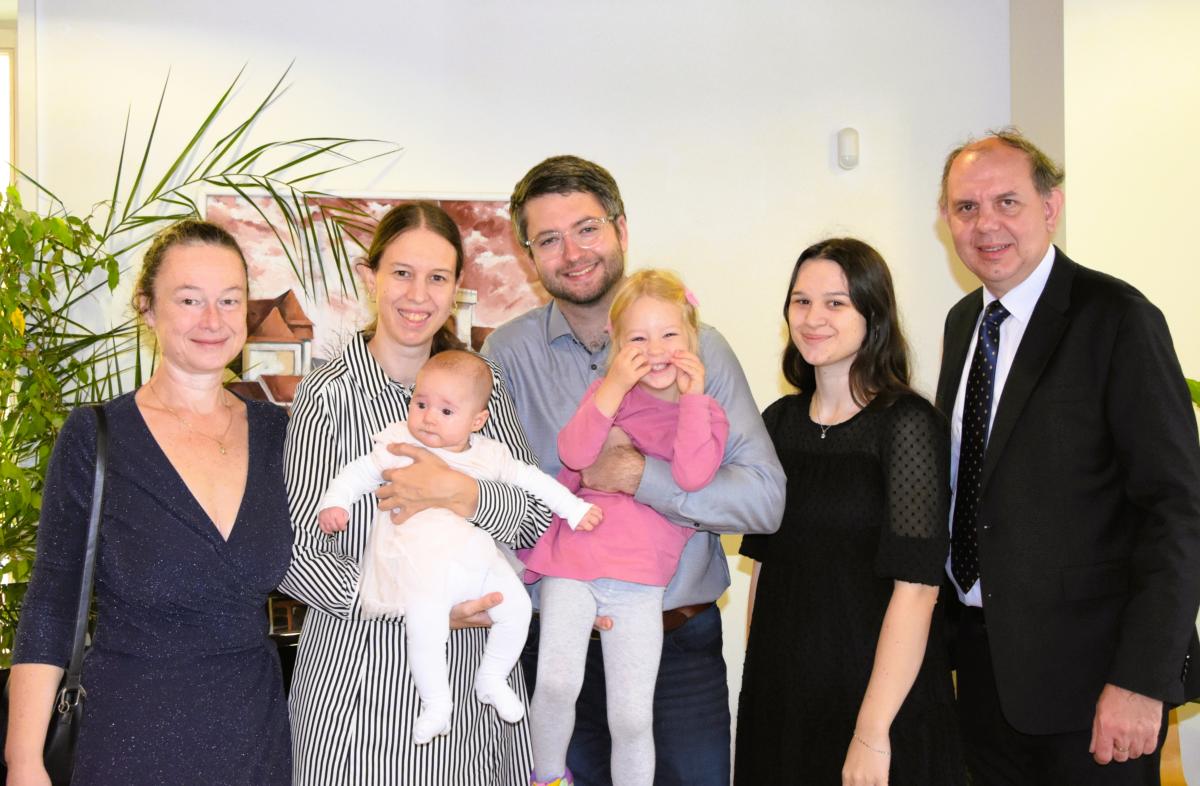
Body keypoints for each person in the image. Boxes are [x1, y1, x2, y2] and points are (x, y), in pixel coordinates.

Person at [481, 155, 786, 786]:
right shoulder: (507, 355)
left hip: (675, 647)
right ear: (528, 257)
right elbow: (493, 500)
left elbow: (763, 501)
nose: (572, 253)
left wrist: (639, 476)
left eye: (587, 228)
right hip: (552, 639)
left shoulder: (700, 350)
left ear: (621, 228)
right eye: (548, 239)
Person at [935, 129, 1200, 785]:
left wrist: (1141, 680)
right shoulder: (964, 323)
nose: (985, 224)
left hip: (1094, 685)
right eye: (966, 207)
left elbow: (1175, 510)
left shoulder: (1118, 319)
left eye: (1007, 202)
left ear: (1050, 207)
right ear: (946, 221)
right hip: (983, 670)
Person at [4, 219, 292, 785]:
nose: (213, 320)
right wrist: (24, 761)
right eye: (189, 299)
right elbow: (50, 607)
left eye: (229, 299)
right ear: (147, 308)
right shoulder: (97, 436)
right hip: (128, 739)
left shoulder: (277, 434)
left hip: (254, 741)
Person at [280, 201, 552, 785]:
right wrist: (416, 601)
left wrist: (462, 493)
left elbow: (534, 519)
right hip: (359, 692)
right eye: (402, 273)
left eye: (437, 278)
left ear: (456, 290)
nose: (418, 295)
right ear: (372, 277)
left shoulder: (484, 386)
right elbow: (296, 553)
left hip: (472, 690)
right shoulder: (328, 394)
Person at [735, 238, 966, 786]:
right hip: (785, 699)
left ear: (873, 315)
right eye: (801, 301)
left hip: (878, 702)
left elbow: (918, 590)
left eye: (835, 303)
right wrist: (760, 689)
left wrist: (872, 731)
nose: (813, 318)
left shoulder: (908, 425)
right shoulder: (777, 422)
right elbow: (764, 569)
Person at [316, 349, 600, 745]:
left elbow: (535, 482)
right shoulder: (399, 444)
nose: (429, 417)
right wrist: (336, 502)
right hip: (421, 566)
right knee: (425, 627)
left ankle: (493, 677)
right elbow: (356, 473)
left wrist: (573, 508)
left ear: (477, 420)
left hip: (478, 562)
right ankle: (436, 704)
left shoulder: (490, 454)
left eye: (446, 411)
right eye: (421, 404)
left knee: (517, 610)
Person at [526, 270, 731, 786]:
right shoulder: (606, 394)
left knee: (632, 717)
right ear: (617, 345)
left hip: (641, 581)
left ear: (693, 338)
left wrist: (692, 398)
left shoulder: (705, 413)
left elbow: (692, 476)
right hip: (573, 563)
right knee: (554, 684)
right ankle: (546, 778)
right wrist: (613, 387)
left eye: (670, 334)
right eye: (638, 338)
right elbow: (574, 454)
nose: (655, 350)